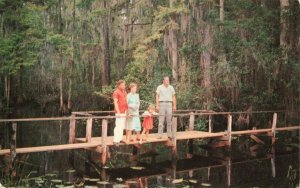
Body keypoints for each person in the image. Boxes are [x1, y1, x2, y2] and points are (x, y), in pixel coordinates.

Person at [113, 80, 128, 145]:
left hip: (124, 110)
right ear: (119, 85)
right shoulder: (116, 92)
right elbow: (115, 102)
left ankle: (120, 139)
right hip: (119, 111)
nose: (123, 86)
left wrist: (127, 110)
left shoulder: (124, 92)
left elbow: (126, 101)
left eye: (124, 85)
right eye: (122, 85)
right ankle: (116, 140)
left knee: (122, 126)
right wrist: (118, 111)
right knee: (118, 126)